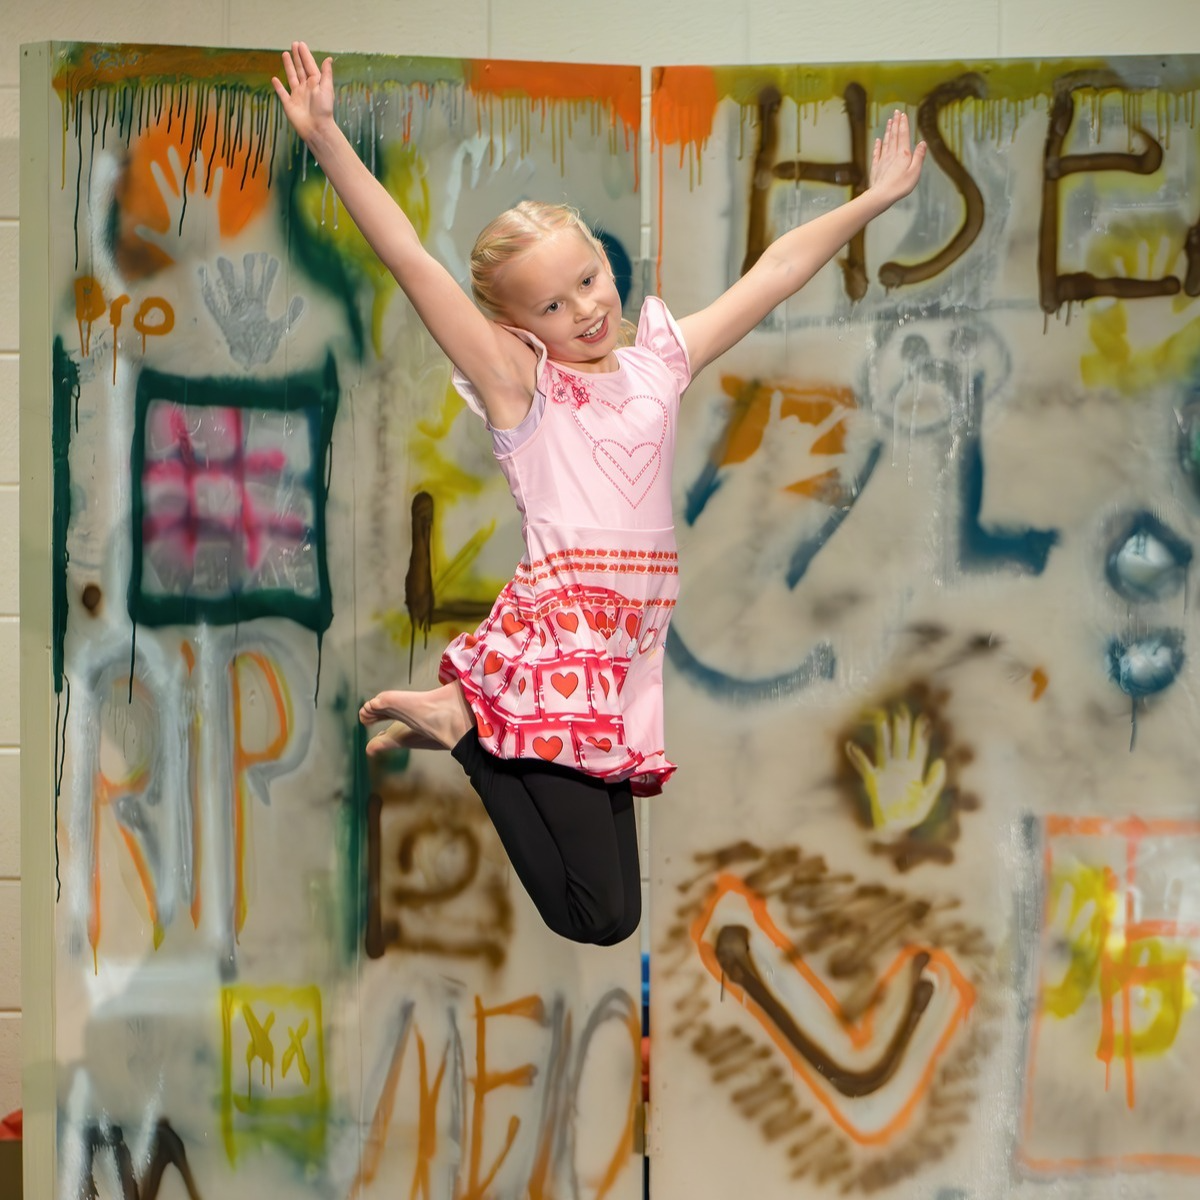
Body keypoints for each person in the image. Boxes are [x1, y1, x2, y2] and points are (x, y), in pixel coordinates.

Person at [273, 42, 926, 945]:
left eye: (587, 279)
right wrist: (328, 141)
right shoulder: (523, 386)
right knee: (603, 915)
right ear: (513, 327)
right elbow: (414, 263)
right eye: (551, 306)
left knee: (617, 904)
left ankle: (463, 722)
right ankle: (466, 728)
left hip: (621, 661)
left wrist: (877, 199)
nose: (583, 309)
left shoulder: (657, 362)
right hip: (554, 648)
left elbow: (775, 272)